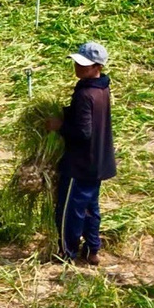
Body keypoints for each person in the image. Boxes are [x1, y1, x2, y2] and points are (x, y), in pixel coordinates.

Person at [47, 41, 115, 266]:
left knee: (69, 210)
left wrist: (59, 126)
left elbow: (83, 132)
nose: (77, 67)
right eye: (77, 62)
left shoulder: (85, 94)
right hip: (98, 162)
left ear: (98, 66)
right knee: (90, 207)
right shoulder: (102, 87)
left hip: (80, 163)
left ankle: (67, 253)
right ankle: (93, 249)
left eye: (83, 65)